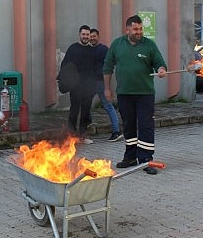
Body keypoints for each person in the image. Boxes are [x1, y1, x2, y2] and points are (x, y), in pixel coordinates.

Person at [103, 15, 167, 174]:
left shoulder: (149, 45)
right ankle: (131, 157)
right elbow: (107, 67)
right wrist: (107, 89)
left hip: (145, 94)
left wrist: (161, 69)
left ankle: (146, 160)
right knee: (129, 126)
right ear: (128, 29)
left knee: (146, 126)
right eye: (136, 29)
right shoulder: (117, 44)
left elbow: (159, 62)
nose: (139, 32)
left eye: (140, 29)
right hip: (124, 93)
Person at [59, 25, 97, 144]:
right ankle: (71, 136)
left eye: (87, 35)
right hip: (75, 86)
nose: (85, 37)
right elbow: (65, 66)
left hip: (88, 87)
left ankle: (83, 135)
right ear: (79, 35)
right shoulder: (73, 49)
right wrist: (66, 81)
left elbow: (95, 68)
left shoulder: (92, 50)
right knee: (74, 110)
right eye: (83, 34)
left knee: (86, 111)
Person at [89, 28, 123, 142]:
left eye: (94, 36)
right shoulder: (89, 49)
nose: (92, 38)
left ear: (98, 37)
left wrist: (107, 84)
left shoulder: (104, 49)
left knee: (108, 106)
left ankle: (116, 131)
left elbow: (110, 65)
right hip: (91, 82)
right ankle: (88, 125)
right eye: (91, 36)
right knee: (85, 105)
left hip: (101, 82)